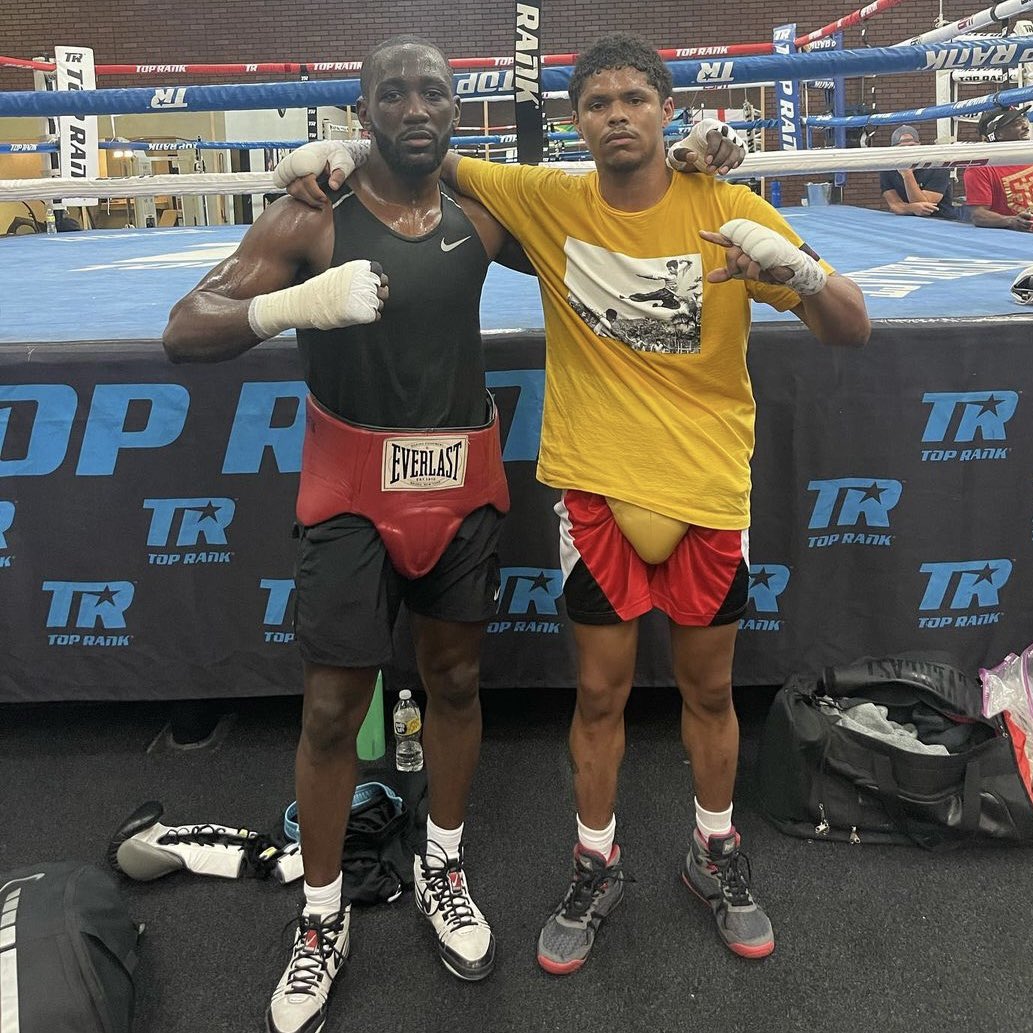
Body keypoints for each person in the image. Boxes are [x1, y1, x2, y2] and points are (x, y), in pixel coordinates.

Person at [277, 32, 866, 976]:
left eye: (637, 97)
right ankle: (595, 863)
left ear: (667, 111)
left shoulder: (729, 207)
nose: (618, 115)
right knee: (598, 694)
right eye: (598, 103)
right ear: (575, 121)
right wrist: (335, 155)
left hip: (709, 487)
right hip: (593, 491)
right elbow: (422, 146)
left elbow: (853, 326)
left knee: (711, 690)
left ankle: (713, 851)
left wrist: (797, 269)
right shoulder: (548, 199)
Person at [163, 36, 527, 1033]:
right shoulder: (314, 214)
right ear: (362, 110)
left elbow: (600, 230)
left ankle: (440, 865)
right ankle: (320, 919)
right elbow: (185, 327)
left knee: (454, 683)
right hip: (352, 494)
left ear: (457, 109)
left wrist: (698, 164)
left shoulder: (483, 208)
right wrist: (291, 303)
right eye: (395, 92)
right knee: (331, 712)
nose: (417, 106)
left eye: (435, 92)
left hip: (462, 484)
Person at [963, 105, 1033, 231]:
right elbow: (979, 215)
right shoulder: (980, 167)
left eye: (1024, 121)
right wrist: (1010, 221)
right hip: (1018, 238)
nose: (1026, 127)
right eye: (1017, 123)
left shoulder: (1030, 156)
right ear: (999, 134)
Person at [879, 124, 956, 219]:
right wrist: (911, 208)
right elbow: (895, 205)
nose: (908, 152)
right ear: (894, 151)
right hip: (907, 220)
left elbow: (924, 208)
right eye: (902, 148)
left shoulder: (937, 167)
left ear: (919, 147)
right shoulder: (888, 169)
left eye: (912, 146)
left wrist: (907, 173)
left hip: (940, 220)